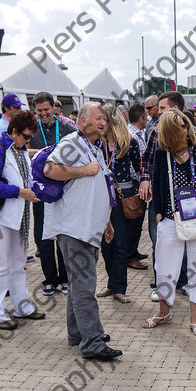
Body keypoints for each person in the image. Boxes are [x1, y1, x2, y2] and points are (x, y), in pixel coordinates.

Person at [43, 102, 122, 361]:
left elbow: (100, 185)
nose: (103, 122)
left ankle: (78, 333)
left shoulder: (93, 148)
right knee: (85, 286)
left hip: (87, 226)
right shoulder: (72, 143)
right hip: (74, 227)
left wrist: (106, 221)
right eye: (98, 118)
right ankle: (93, 342)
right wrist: (84, 170)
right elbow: (50, 169)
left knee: (78, 283)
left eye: (105, 120)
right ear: (82, 122)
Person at [144, 109, 196, 336]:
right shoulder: (161, 154)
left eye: (185, 126)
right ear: (169, 133)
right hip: (170, 218)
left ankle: (194, 320)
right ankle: (164, 312)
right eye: (178, 129)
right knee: (165, 269)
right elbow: (157, 186)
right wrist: (159, 214)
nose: (184, 131)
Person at [0, 111, 45, 330]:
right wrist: (20, 192)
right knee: (0, 265)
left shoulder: (19, 149)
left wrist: (29, 192)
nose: (28, 141)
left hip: (18, 216)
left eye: (30, 138)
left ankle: (22, 306)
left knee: (18, 263)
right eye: (26, 136)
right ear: (14, 131)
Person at [139, 92, 189, 301]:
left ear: (176, 109)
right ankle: (159, 283)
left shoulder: (192, 133)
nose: (157, 112)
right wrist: (145, 178)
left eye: (162, 108)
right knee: (159, 239)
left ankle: (184, 281)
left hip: (186, 197)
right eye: (157, 108)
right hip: (160, 196)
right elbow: (146, 160)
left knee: (187, 237)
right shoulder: (155, 131)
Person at [29, 91, 76, 296]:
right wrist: (44, 152)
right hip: (39, 190)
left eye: (46, 110)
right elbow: (23, 149)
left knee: (62, 234)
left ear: (54, 108)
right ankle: (49, 279)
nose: (43, 114)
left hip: (63, 189)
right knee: (43, 236)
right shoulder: (31, 128)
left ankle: (65, 277)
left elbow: (76, 150)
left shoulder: (66, 128)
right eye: (39, 111)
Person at [98, 105, 144, 304]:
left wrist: (143, 185)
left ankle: (119, 287)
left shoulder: (129, 143)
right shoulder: (96, 145)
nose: (100, 123)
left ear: (111, 121)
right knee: (105, 245)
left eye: (103, 119)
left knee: (120, 244)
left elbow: (140, 168)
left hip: (123, 197)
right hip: (101, 199)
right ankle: (112, 283)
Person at [125, 103, 149, 270]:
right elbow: (133, 163)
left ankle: (133, 250)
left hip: (139, 181)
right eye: (146, 118)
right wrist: (139, 181)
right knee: (133, 220)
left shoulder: (138, 134)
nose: (147, 120)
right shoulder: (131, 135)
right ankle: (130, 255)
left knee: (138, 219)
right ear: (141, 119)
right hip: (135, 183)